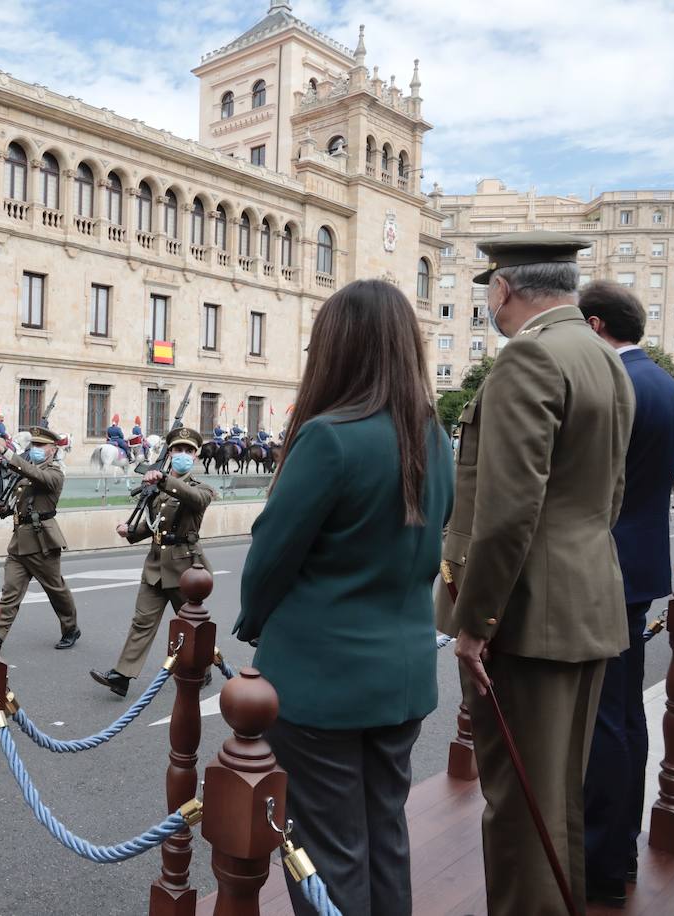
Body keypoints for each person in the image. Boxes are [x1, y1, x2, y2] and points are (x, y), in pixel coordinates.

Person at [234, 278, 454, 916]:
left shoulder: (331, 435)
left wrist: (253, 623)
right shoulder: (431, 434)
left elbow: (271, 554)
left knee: (327, 851)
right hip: (404, 672)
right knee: (385, 833)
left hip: (321, 679)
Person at [437, 231, 634, 915]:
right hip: (587, 601)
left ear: (502, 290)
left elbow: (508, 513)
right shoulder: (605, 359)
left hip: (527, 616)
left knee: (521, 811)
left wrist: (474, 623)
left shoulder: (531, 358)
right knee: (556, 802)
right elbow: (606, 498)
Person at [579, 281, 674, 907]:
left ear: (595, 327)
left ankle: (601, 856)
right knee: (625, 714)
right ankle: (618, 848)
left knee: (603, 720)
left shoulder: (618, 386)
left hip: (604, 568)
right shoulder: (665, 384)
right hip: (639, 563)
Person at [90, 426, 214, 698]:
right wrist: (130, 531)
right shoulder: (159, 489)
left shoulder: (200, 488)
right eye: (177, 449)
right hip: (156, 565)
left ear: (195, 456)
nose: (182, 454)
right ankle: (122, 676)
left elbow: (194, 500)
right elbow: (153, 525)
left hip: (186, 568)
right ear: (169, 453)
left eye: (187, 451)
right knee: (142, 621)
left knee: (193, 624)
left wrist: (164, 480)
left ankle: (205, 668)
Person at [0, 426, 81, 651]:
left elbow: (38, 477)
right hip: (20, 541)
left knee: (55, 590)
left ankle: (70, 628)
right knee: (9, 594)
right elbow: (19, 504)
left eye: (40, 446)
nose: (36, 449)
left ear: (52, 449)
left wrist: (9, 454)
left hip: (43, 542)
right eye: (33, 445)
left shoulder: (54, 473)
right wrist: (3, 506)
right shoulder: (25, 473)